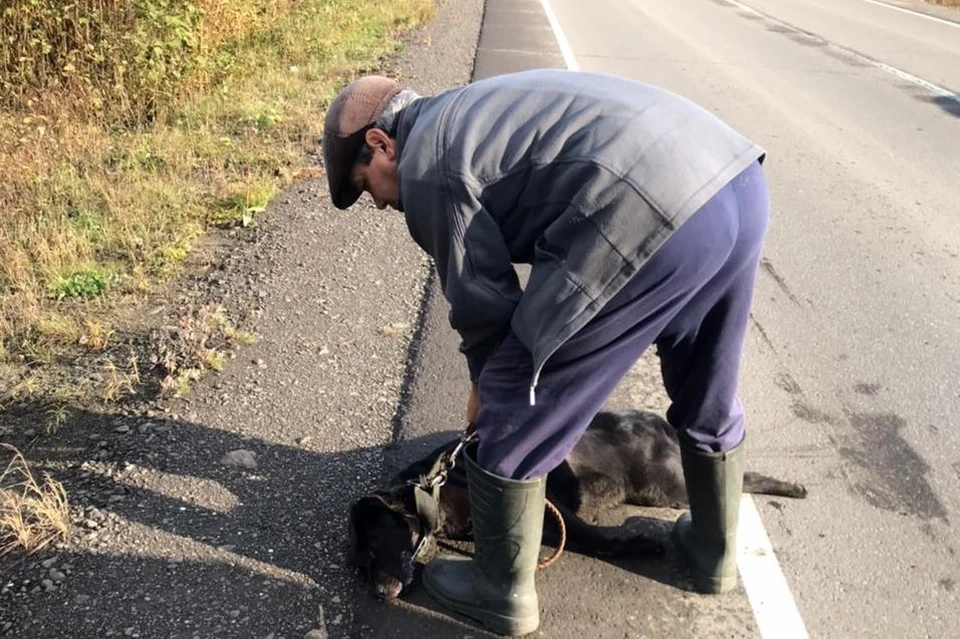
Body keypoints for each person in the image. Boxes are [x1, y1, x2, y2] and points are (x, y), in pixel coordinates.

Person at [322, 69, 768, 636]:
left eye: (366, 186)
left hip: (655, 207)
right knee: (706, 380)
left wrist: (491, 398)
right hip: (735, 180)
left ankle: (499, 592)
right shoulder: (465, 113)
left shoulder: (426, 166)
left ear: (380, 144)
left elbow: (484, 306)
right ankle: (712, 551)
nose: (379, 204)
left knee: (513, 388)